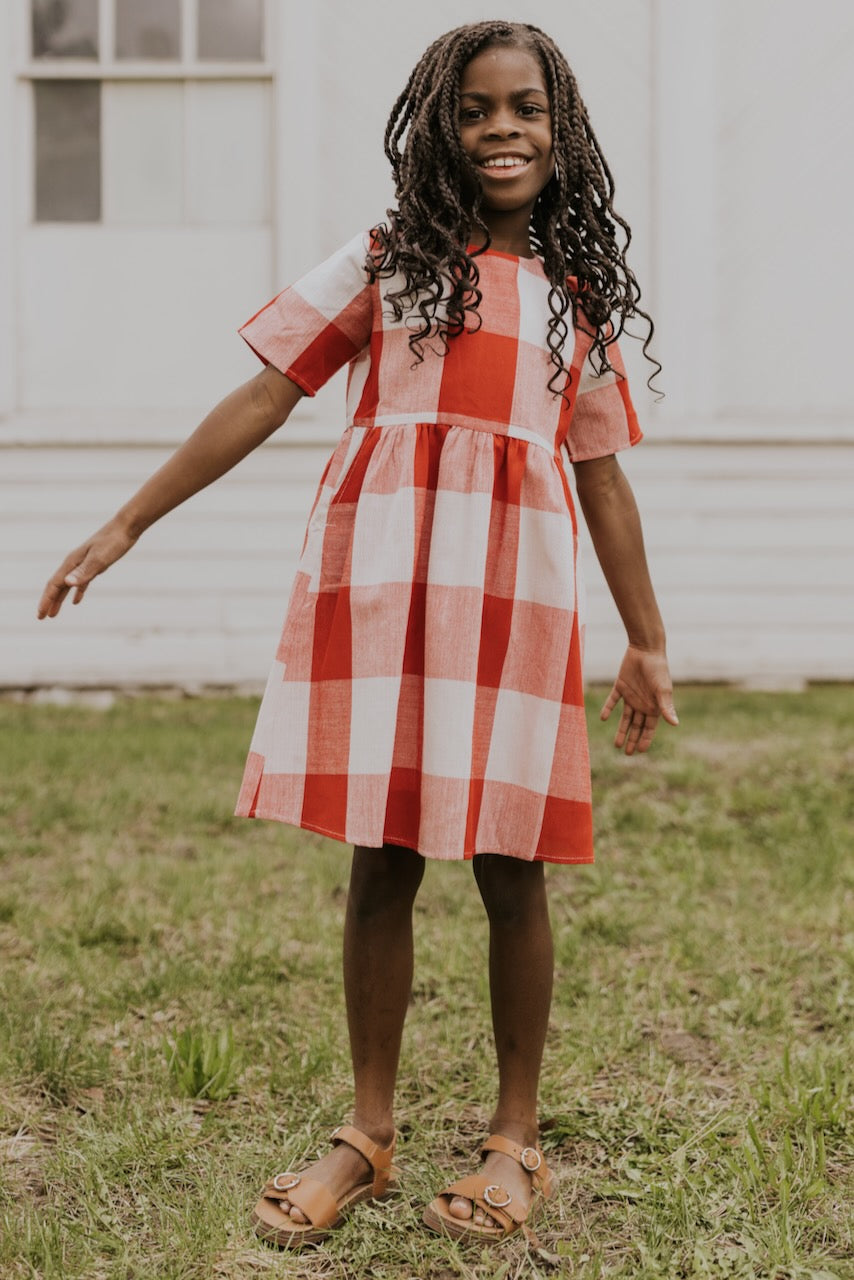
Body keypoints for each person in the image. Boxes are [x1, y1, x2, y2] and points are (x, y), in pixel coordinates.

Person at [38, 19, 678, 1249]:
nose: (502, 129)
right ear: (438, 127)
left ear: (565, 129)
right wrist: (128, 521)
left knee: (509, 862)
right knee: (382, 856)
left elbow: (600, 476)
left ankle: (512, 1139)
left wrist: (644, 637)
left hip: (512, 607)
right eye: (476, 109)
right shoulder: (388, 261)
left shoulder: (572, 303)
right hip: (386, 597)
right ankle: (368, 1132)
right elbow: (267, 390)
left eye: (526, 107)